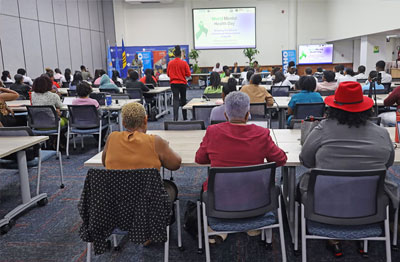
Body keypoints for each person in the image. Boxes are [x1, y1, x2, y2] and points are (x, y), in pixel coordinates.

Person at [299, 81, 395, 257]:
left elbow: (305, 160)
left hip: (324, 200)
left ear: (333, 107)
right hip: (371, 203)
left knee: (301, 183)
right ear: (366, 108)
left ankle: (332, 239)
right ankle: (366, 230)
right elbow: (388, 164)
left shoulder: (322, 129)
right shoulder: (382, 134)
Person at [196, 91, 287, 191]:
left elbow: (200, 159)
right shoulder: (262, 133)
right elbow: (280, 159)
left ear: (226, 116)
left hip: (220, 195)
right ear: (248, 115)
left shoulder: (212, 132)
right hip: (256, 195)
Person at [102, 102, 181, 171]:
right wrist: (164, 146)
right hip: (148, 188)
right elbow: (175, 164)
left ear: (123, 123)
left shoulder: (112, 137)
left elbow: (104, 162)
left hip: (117, 188)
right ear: (145, 120)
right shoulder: (155, 141)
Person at [167, 45, 191, 121]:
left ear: (174, 55)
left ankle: (175, 118)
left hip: (174, 83)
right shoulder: (184, 63)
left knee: (175, 100)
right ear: (181, 55)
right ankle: (185, 117)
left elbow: (168, 74)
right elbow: (188, 74)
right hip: (182, 83)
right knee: (183, 99)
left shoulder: (170, 63)